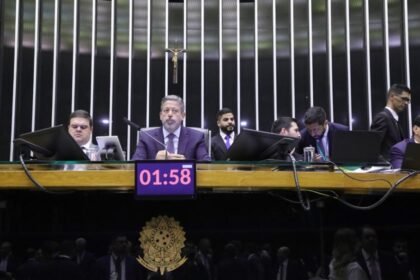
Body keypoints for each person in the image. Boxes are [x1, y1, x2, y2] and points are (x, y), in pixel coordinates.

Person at [131, 95, 211, 160]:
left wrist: (186, 164)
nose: (170, 114)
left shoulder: (196, 137)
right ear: (160, 115)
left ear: (183, 116)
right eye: (166, 110)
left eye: (175, 111)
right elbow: (134, 166)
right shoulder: (146, 137)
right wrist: (154, 161)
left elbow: (207, 165)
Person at [371, 84, 412, 159]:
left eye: (408, 100)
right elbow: (372, 147)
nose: (406, 103)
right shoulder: (383, 117)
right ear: (392, 96)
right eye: (404, 98)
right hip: (387, 168)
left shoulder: (394, 119)